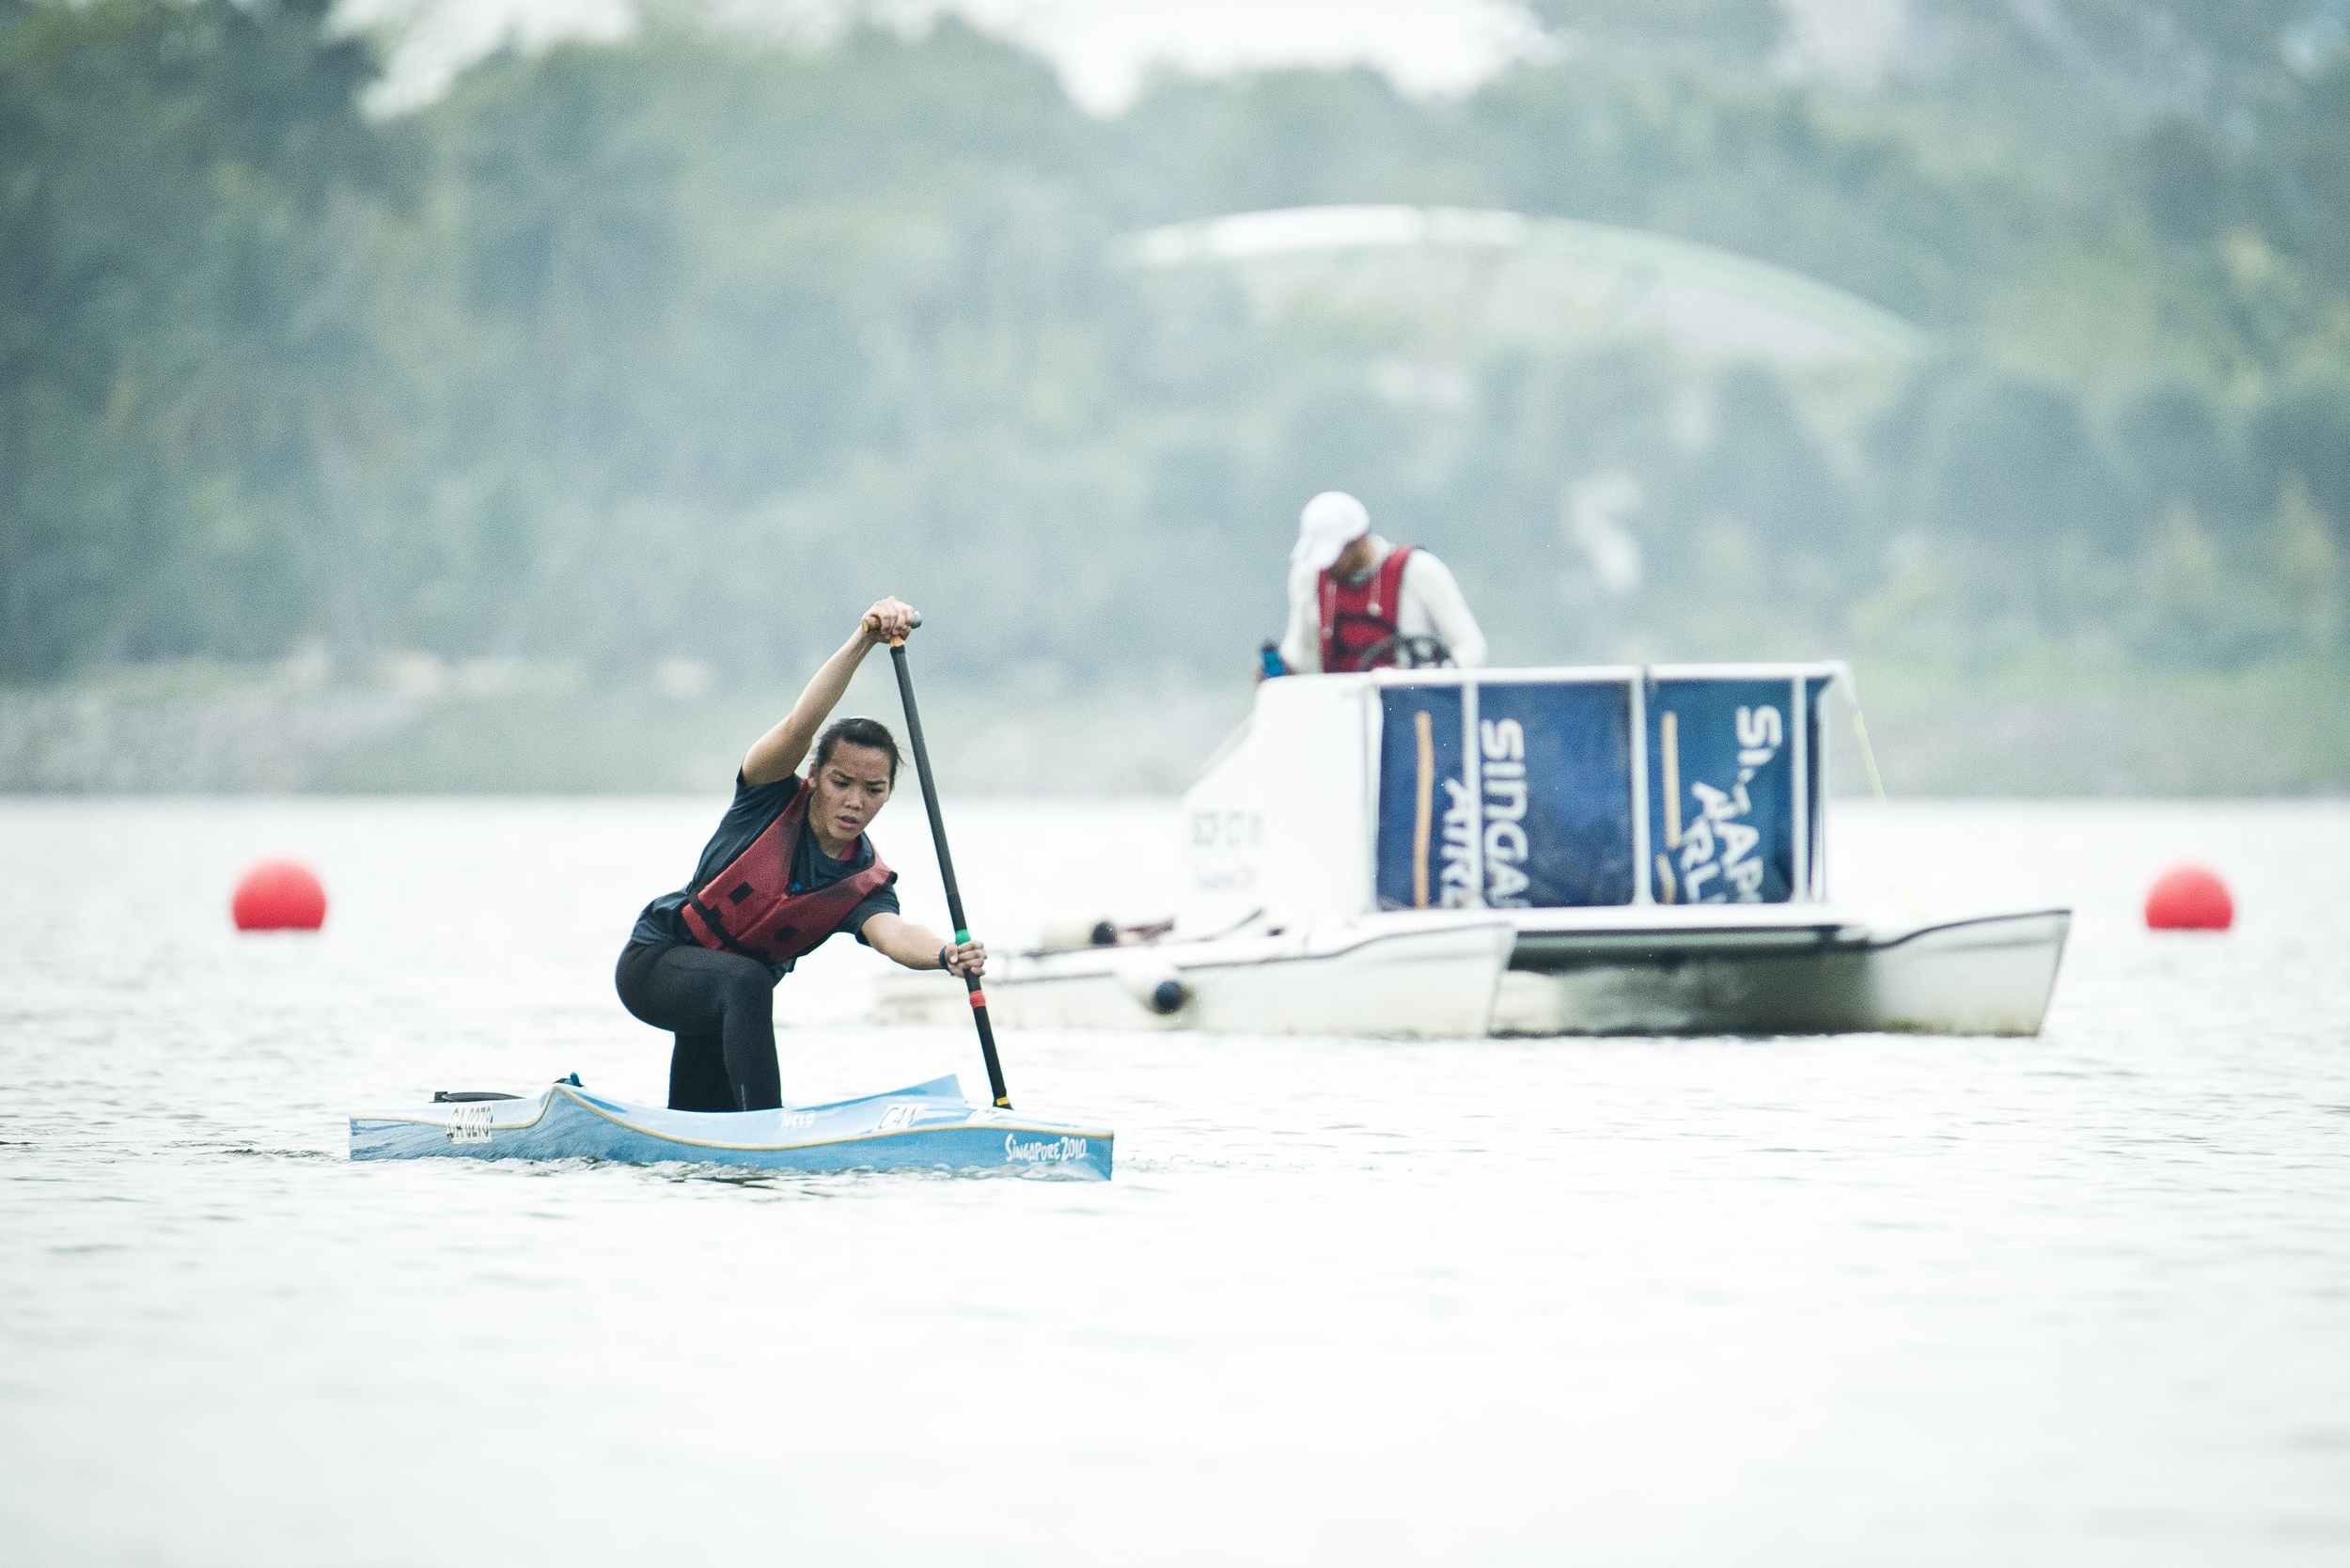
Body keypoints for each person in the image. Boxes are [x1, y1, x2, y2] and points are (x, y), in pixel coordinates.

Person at [615, 596, 984, 1113]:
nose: (855, 801)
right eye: (841, 782)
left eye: (873, 790)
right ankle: (769, 1132)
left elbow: (895, 936)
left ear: (888, 794)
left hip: (717, 1003)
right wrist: (865, 637)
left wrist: (947, 955)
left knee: (703, 1130)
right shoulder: (767, 792)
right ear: (814, 776)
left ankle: (711, 1151)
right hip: (655, 965)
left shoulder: (863, 883)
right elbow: (801, 724)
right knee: (744, 981)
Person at [1275, 491, 1487, 675]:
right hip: (1343, 711)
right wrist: (1277, 669)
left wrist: (1429, 676)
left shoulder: (1420, 570)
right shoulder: (1307, 576)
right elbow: (1300, 653)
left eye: (1334, 555)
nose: (1326, 568)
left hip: (1414, 708)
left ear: (1358, 540)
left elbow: (1473, 647)